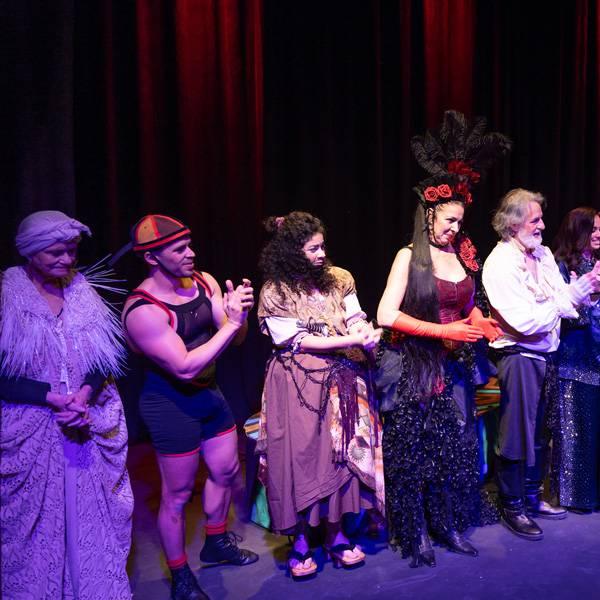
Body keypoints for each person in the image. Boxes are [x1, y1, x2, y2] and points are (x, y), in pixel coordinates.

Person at [376, 110, 510, 566]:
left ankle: (448, 523)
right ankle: (417, 533)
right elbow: (385, 314)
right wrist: (444, 330)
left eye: (459, 220)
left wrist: (480, 321)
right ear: (429, 214)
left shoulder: (460, 255)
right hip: (415, 366)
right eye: (449, 220)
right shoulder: (407, 256)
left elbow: (465, 300)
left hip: (454, 366)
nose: (455, 228)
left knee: (453, 448)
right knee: (415, 451)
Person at [122, 215, 257, 600]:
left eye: (189, 245)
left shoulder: (203, 281)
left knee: (227, 470)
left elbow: (237, 339)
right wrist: (230, 325)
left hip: (209, 394)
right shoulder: (142, 309)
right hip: (169, 404)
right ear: (152, 257)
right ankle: (180, 574)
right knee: (178, 494)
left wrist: (238, 316)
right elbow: (183, 366)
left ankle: (215, 543)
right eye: (179, 249)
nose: (190, 253)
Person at [1, 211, 132, 599]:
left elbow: (106, 357)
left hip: (85, 416)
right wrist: (48, 397)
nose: (66, 260)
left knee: (90, 513)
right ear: (30, 252)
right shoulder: (7, 293)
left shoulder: (79, 288)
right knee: (35, 522)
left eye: (72, 251)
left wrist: (84, 393)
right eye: (55, 253)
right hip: (32, 425)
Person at [482, 188, 600, 540]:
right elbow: (525, 322)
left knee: (543, 429)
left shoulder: (542, 255)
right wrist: (573, 294)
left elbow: (563, 299)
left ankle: (532, 495)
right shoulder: (500, 263)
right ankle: (512, 505)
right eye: (535, 219)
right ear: (513, 224)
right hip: (520, 355)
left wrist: (591, 289)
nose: (543, 224)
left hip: (549, 355)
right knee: (517, 434)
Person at [256, 211, 385, 577]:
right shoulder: (276, 291)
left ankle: (337, 533)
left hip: (342, 380)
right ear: (292, 252)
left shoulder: (339, 278)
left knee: (340, 458)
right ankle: (299, 539)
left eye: (322, 245)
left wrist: (365, 330)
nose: (321, 253)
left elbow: (355, 314)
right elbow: (296, 340)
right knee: (301, 461)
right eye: (312, 248)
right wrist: (349, 339)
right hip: (297, 385)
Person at [551, 207, 600, 513]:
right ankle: (576, 496)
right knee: (577, 430)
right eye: (592, 229)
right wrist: (591, 293)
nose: (597, 234)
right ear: (576, 231)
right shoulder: (558, 267)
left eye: (599, 230)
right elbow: (563, 317)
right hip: (575, 360)